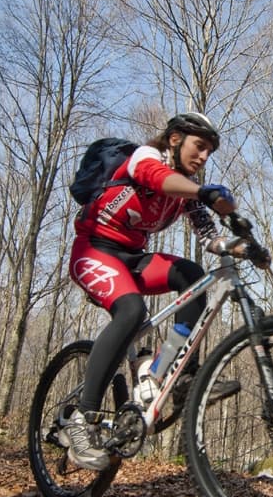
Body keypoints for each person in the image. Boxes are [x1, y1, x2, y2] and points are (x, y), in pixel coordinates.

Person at [60, 112, 246, 470]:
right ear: (175, 139)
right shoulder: (147, 157)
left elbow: (210, 237)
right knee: (131, 312)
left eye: (210, 151)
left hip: (131, 259)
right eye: (200, 146)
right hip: (93, 251)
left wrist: (242, 247)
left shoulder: (186, 189)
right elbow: (155, 178)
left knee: (191, 276)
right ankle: (80, 421)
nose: (205, 156)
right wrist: (204, 191)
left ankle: (174, 373)